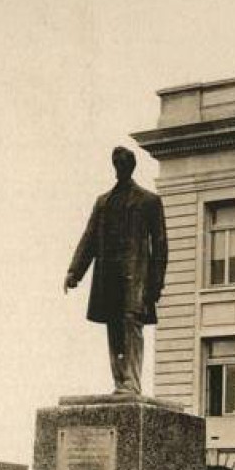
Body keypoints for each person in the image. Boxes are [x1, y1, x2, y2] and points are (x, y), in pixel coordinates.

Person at [63, 145, 168, 396]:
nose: (119, 168)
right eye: (116, 164)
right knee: (114, 327)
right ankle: (119, 381)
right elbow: (89, 238)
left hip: (136, 278)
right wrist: (74, 272)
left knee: (131, 324)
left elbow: (161, 246)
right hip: (109, 277)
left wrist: (155, 284)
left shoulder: (149, 201)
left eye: (123, 164)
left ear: (131, 167)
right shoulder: (103, 203)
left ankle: (132, 381)